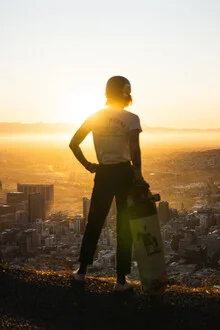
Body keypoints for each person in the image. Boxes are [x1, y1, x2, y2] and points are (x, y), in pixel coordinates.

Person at [69, 75, 150, 292]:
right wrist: (139, 176)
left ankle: (81, 272)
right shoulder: (131, 119)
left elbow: (73, 143)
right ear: (126, 92)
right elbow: (135, 151)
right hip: (124, 174)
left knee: (94, 222)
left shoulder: (95, 117)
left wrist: (88, 165)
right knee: (124, 226)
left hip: (103, 174)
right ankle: (121, 281)